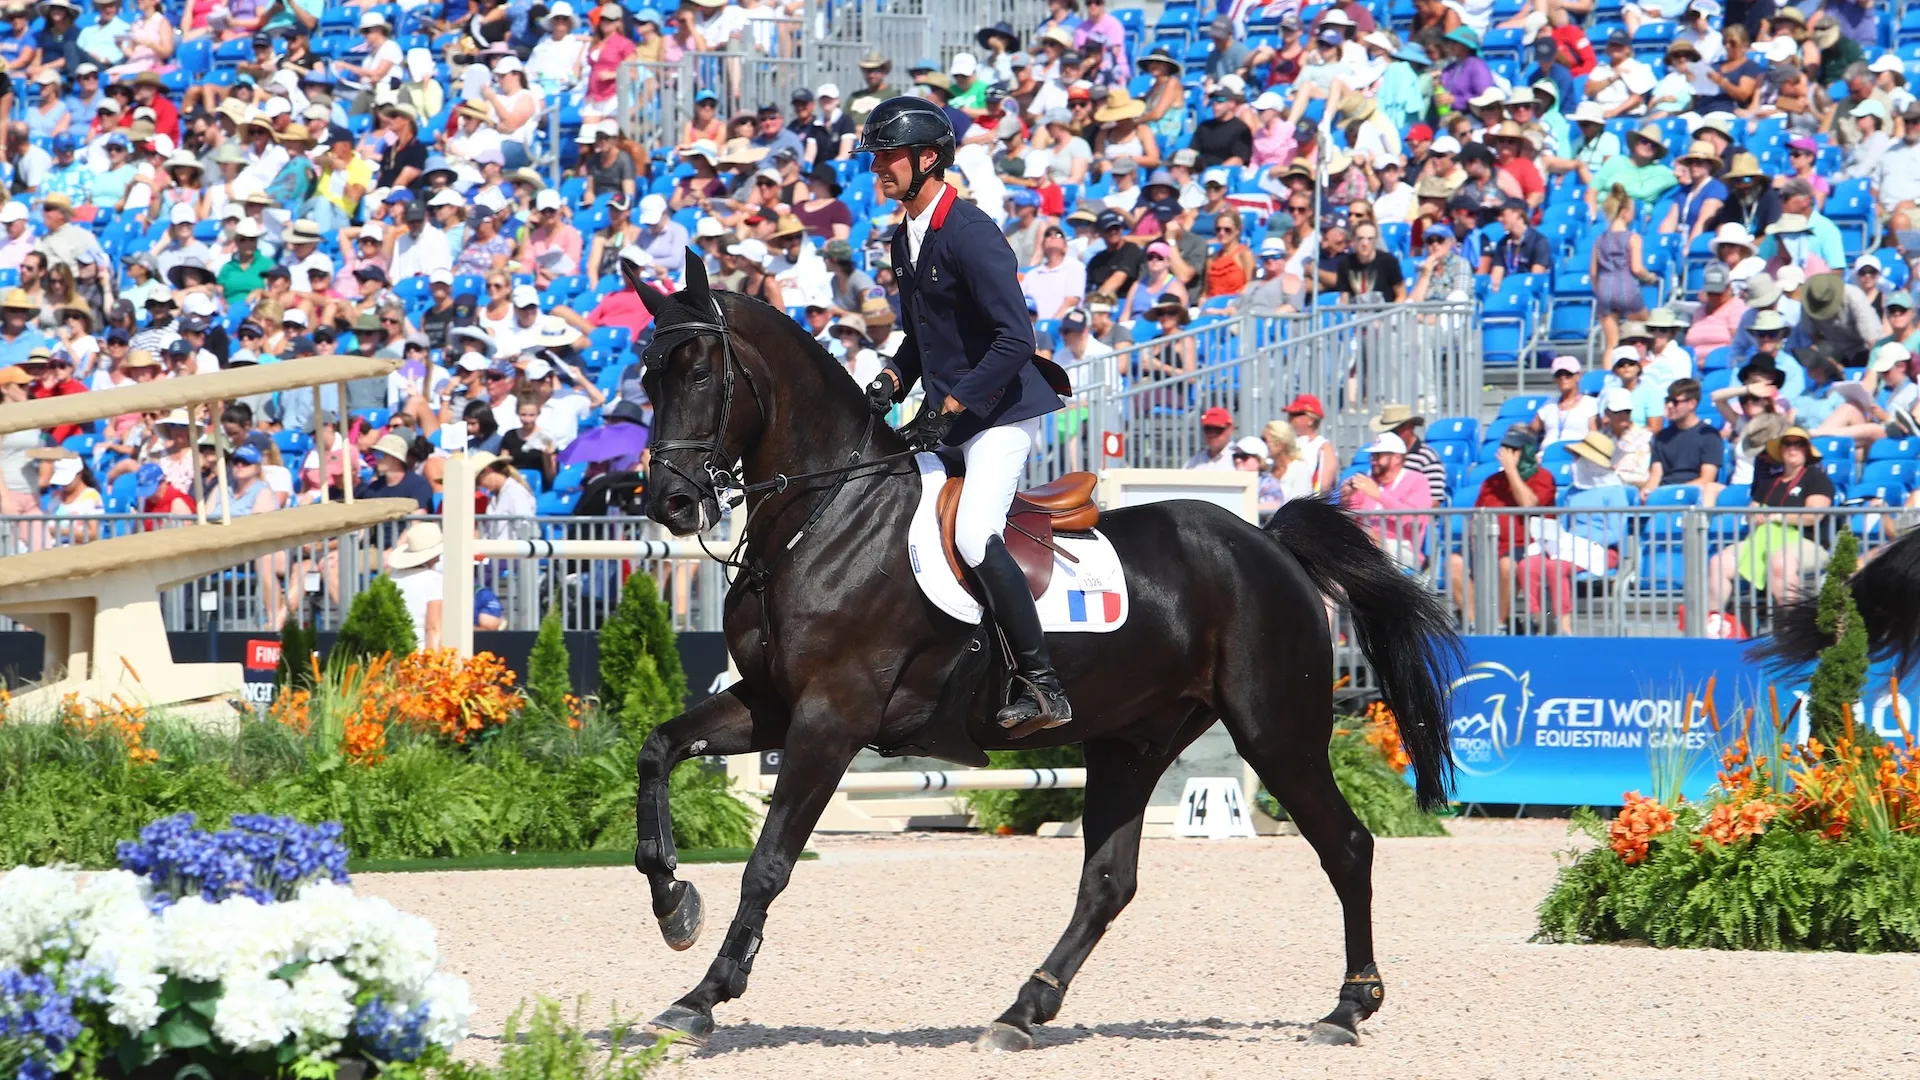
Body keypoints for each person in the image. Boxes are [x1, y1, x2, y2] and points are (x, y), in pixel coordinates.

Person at [856, 96, 1070, 732]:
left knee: (976, 534)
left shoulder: (972, 233)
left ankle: (1042, 683)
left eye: (888, 158)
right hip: (952, 414)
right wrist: (893, 380)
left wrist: (947, 408)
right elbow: (925, 337)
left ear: (928, 159)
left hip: (1001, 413)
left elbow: (1013, 339)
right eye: (876, 160)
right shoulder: (905, 236)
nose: (879, 171)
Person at [1705, 426, 1833, 617]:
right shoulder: (1769, 482)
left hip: (1807, 542)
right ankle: (1714, 621)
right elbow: (1752, 511)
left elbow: (1812, 516)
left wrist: (1778, 517)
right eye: (1787, 444)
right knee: (1719, 562)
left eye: (1799, 444)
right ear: (1780, 450)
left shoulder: (1817, 478)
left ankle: (1791, 624)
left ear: (1806, 450)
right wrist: (1755, 516)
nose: (1793, 448)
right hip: (1762, 541)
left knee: (1781, 561)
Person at [1448, 427, 1554, 630]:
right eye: (1504, 449)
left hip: (1527, 545)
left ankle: (1498, 623)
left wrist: (1512, 471)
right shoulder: (1492, 482)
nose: (1505, 455)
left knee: (1508, 565)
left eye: (1512, 450)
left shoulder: (1543, 477)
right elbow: (1477, 515)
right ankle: (1475, 623)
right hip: (1488, 545)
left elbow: (1529, 504)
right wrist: (1473, 540)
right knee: (1454, 563)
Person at [1341, 431, 1432, 569]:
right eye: (1372, 455)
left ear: (1397, 458)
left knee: (1369, 540)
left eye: (1378, 455)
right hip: (1363, 546)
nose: (1373, 460)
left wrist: (1379, 495)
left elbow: (1416, 519)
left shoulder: (1417, 480)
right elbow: (1351, 521)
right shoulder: (1366, 482)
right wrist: (1345, 499)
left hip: (1403, 548)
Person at [1643, 377, 1724, 499]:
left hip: (1694, 496)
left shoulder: (1709, 435)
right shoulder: (1662, 437)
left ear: (1692, 404)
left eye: (1675, 402)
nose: (1669, 406)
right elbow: (1656, 474)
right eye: (1667, 400)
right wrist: (1647, 491)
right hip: (1665, 494)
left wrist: (1676, 494)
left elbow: (1707, 478)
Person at [387, 521, 445, 651]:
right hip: (419, 652)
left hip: (393, 650)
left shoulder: (393, 578)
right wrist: (434, 663)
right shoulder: (434, 579)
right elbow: (433, 627)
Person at [1532, 355, 1600, 448]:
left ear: (1577, 376)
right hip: (1546, 455)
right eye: (1558, 375)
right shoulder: (1549, 404)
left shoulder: (1590, 404)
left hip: (1577, 455)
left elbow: (1595, 436)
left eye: (1568, 374)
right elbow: (1530, 432)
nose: (1563, 378)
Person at [1283, 394, 1338, 495]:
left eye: (1295, 414)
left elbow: (1323, 487)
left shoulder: (1322, 446)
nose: (1290, 419)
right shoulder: (1288, 443)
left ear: (1310, 420)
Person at [1185, 405, 1235, 470]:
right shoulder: (1195, 461)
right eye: (1208, 429)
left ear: (1230, 429)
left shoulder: (1241, 459)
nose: (1212, 433)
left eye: (1218, 429)